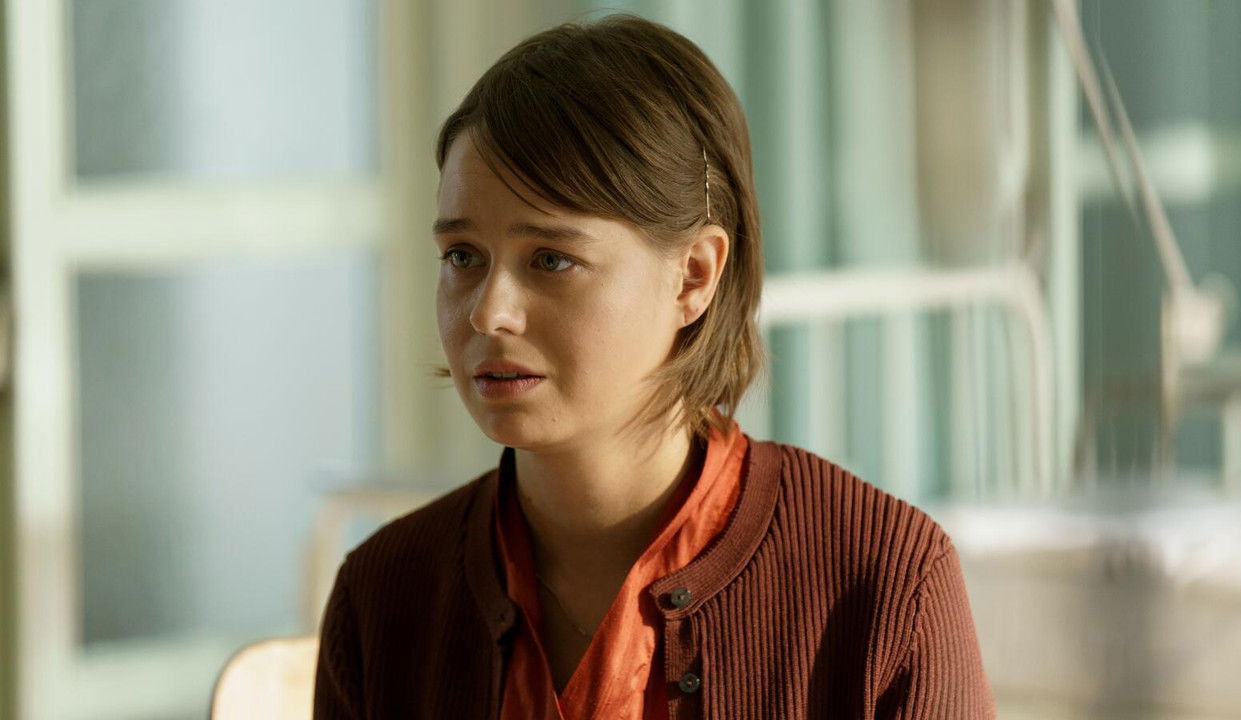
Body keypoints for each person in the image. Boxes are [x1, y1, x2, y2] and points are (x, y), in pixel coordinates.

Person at [314, 13, 995, 720]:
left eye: (550, 259)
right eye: (463, 256)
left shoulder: (886, 585)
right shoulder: (382, 597)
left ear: (694, 275)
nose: (489, 313)